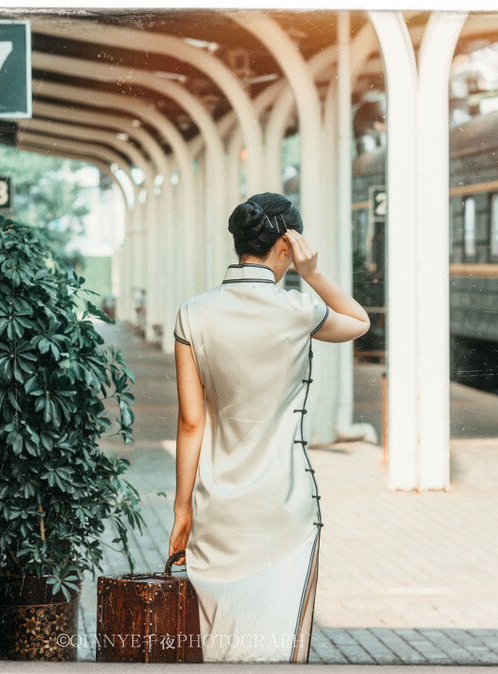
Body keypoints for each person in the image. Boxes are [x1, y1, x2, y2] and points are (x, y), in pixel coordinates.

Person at [168, 192, 370, 663]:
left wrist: (183, 511)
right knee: (276, 647)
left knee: (218, 646)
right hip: (283, 508)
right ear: (288, 244)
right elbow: (358, 322)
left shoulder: (192, 313)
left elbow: (191, 421)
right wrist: (313, 273)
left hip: (216, 511)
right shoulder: (300, 308)